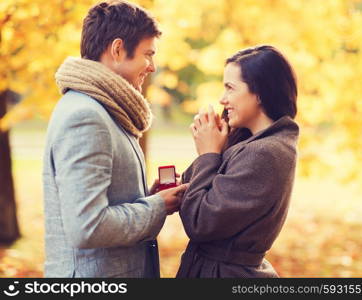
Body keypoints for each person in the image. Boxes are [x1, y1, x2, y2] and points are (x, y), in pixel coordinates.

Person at [43, 0, 187, 278]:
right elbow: (88, 226)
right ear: (118, 49)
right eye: (148, 54)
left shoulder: (105, 110)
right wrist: (156, 206)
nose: (152, 67)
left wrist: (147, 196)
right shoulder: (86, 116)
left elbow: (99, 200)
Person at [177, 45, 299, 278]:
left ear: (260, 93)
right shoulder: (251, 143)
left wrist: (208, 154)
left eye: (230, 88)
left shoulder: (265, 153)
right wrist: (217, 148)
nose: (223, 100)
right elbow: (188, 189)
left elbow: (200, 222)